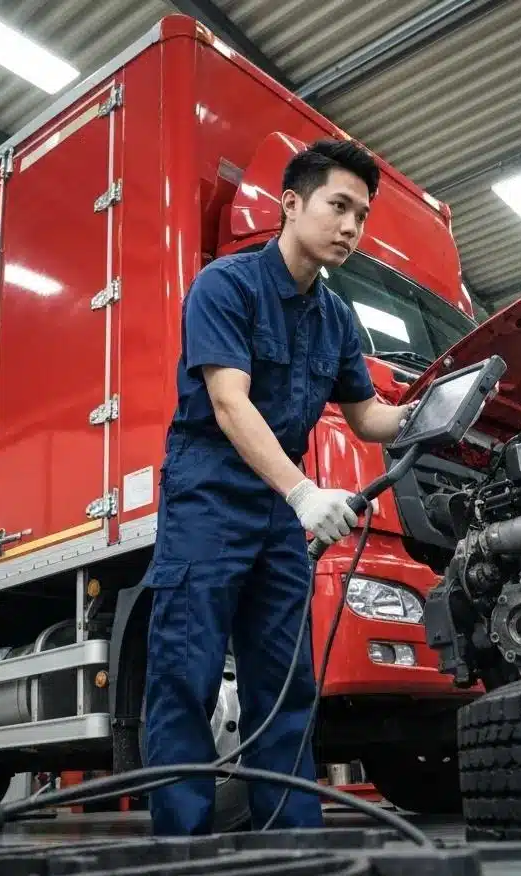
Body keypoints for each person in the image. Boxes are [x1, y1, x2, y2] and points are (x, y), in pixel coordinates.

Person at [142, 138, 413, 836]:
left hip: (279, 507)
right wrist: (303, 493)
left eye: (362, 215)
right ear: (291, 204)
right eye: (339, 206)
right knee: (187, 672)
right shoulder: (226, 286)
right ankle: (180, 845)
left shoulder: (337, 318)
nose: (351, 227)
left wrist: (436, 409)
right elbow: (228, 402)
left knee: (286, 680)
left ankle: (293, 840)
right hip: (209, 492)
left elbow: (369, 418)